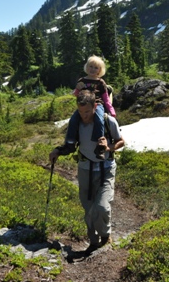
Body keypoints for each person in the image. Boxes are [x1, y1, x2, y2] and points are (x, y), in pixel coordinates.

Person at [50, 90, 125, 255]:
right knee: (89, 208)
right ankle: (93, 240)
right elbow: (70, 146)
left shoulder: (107, 121)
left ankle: (105, 235)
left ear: (95, 106)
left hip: (106, 168)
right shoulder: (76, 124)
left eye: (87, 112)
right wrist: (57, 151)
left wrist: (108, 147)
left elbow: (121, 141)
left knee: (102, 207)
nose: (84, 115)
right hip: (85, 169)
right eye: (80, 111)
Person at [65, 55, 116, 160]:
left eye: (96, 67)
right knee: (74, 119)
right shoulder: (82, 80)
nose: (92, 69)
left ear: (100, 70)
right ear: (86, 67)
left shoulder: (101, 82)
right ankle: (70, 142)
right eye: (91, 66)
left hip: (98, 105)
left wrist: (111, 111)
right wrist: (77, 90)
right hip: (84, 105)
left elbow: (106, 98)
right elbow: (76, 94)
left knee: (98, 119)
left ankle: (100, 146)